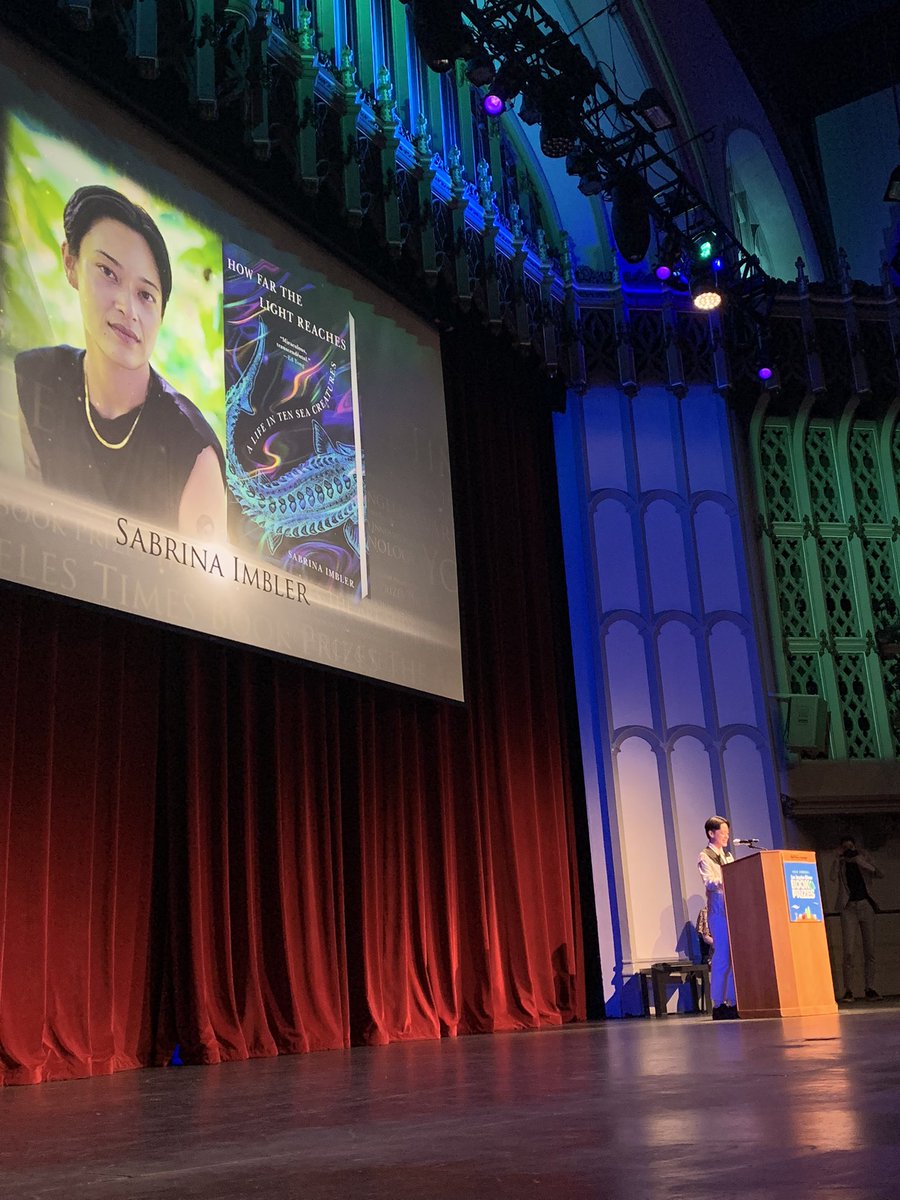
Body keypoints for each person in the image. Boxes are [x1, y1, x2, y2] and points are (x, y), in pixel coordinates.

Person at [16, 184, 226, 538]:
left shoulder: (191, 448)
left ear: (161, 313)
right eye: (108, 273)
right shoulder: (34, 377)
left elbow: (202, 590)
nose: (127, 309)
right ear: (71, 264)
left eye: (146, 295)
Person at [830, 836, 884, 1002]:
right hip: (848, 908)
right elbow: (832, 877)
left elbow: (879, 873)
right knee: (848, 951)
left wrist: (859, 859)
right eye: (845, 847)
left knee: (870, 951)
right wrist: (837, 859)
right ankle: (848, 990)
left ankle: (870, 987)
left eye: (851, 846)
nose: (849, 850)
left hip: (865, 905)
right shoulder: (841, 863)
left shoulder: (863, 858)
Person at [698, 815, 738, 1019]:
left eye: (728, 834)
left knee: (734, 957)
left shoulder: (728, 856)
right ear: (711, 833)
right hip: (718, 912)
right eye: (723, 833)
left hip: (732, 909)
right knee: (722, 955)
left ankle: (732, 1001)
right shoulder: (705, 856)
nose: (726, 837)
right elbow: (710, 882)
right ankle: (718, 1003)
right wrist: (727, 878)